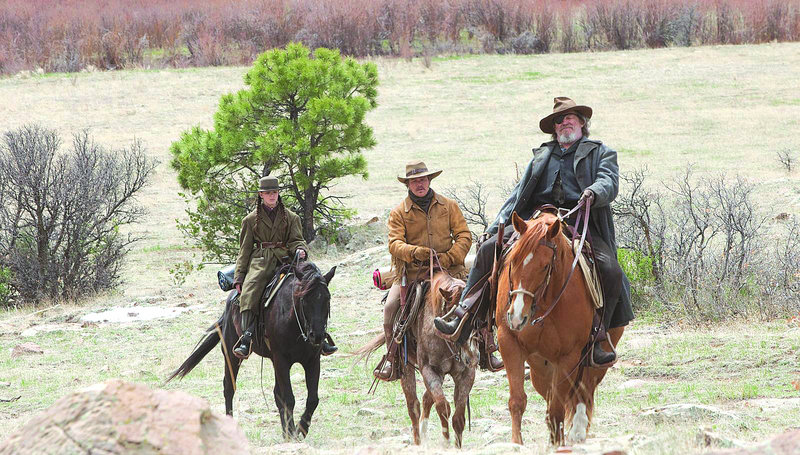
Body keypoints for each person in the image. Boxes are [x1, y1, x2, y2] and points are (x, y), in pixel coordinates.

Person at [434, 97, 634, 366]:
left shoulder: (601, 152)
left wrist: (594, 192)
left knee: (611, 270)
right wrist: (495, 228)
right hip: (534, 221)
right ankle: (465, 316)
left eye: (569, 118)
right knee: (486, 251)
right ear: (554, 128)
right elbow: (518, 196)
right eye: (559, 120)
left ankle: (599, 335)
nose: (564, 124)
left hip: (577, 220)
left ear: (582, 123)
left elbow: (608, 182)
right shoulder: (542, 155)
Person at [374, 160, 497, 380]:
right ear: (408, 185)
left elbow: (464, 235)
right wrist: (415, 252)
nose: (419, 184)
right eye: (414, 181)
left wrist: (449, 257)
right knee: (390, 308)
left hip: (449, 272)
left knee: (480, 299)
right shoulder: (398, 213)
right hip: (413, 273)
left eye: (422, 179)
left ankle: (488, 348)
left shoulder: (449, 206)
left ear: (429, 180)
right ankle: (392, 359)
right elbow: (394, 244)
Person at [232, 176, 337, 359]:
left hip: (286, 260)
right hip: (261, 262)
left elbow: (297, 240)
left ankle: (321, 336)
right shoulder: (249, 220)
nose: (272, 196)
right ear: (261, 195)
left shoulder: (291, 217)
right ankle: (246, 337)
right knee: (250, 292)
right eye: (268, 193)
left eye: (274, 192)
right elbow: (244, 250)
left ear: (278, 194)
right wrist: (239, 277)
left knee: (314, 289)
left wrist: (300, 250)